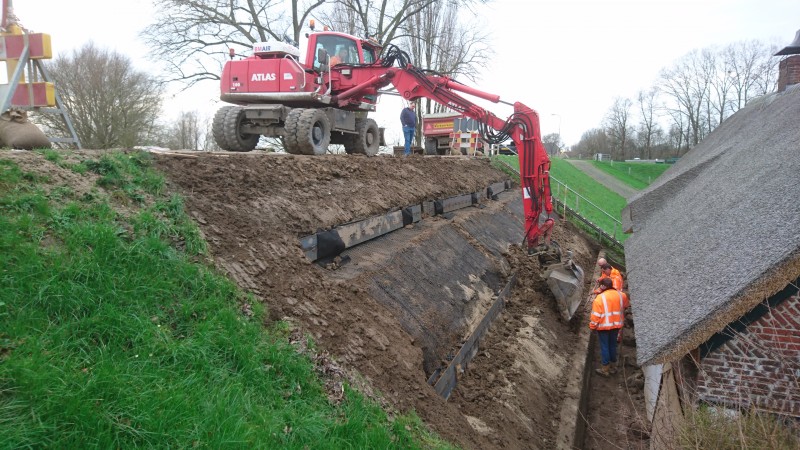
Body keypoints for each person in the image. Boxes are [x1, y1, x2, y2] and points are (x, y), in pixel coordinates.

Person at [589, 278, 629, 377]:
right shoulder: (621, 295)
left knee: (604, 347)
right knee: (612, 345)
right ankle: (613, 366)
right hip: (616, 325)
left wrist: (592, 327)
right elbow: (626, 305)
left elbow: (595, 316)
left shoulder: (599, 299)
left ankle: (605, 369)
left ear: (603, 286)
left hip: (603, 327)